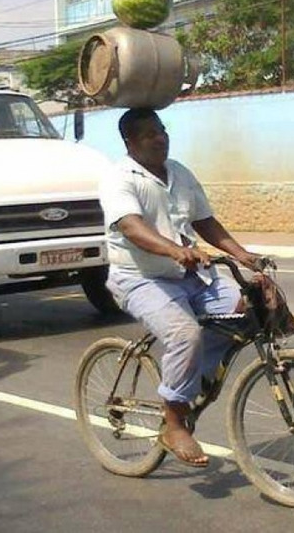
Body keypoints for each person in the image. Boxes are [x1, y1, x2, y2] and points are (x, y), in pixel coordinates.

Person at [98, 108, 264, 468]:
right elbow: (131, 227)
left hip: (188, 276)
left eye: (161, 130)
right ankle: (173, 424)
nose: (159, 138)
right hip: (140, 278)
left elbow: (205, 222)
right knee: (185, 333)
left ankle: (194, 378)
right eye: (148, 134)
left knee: (245, 306)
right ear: (130, 142)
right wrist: (175, 250)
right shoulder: (119, 178)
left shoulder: (180, 173)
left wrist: (245, 256)